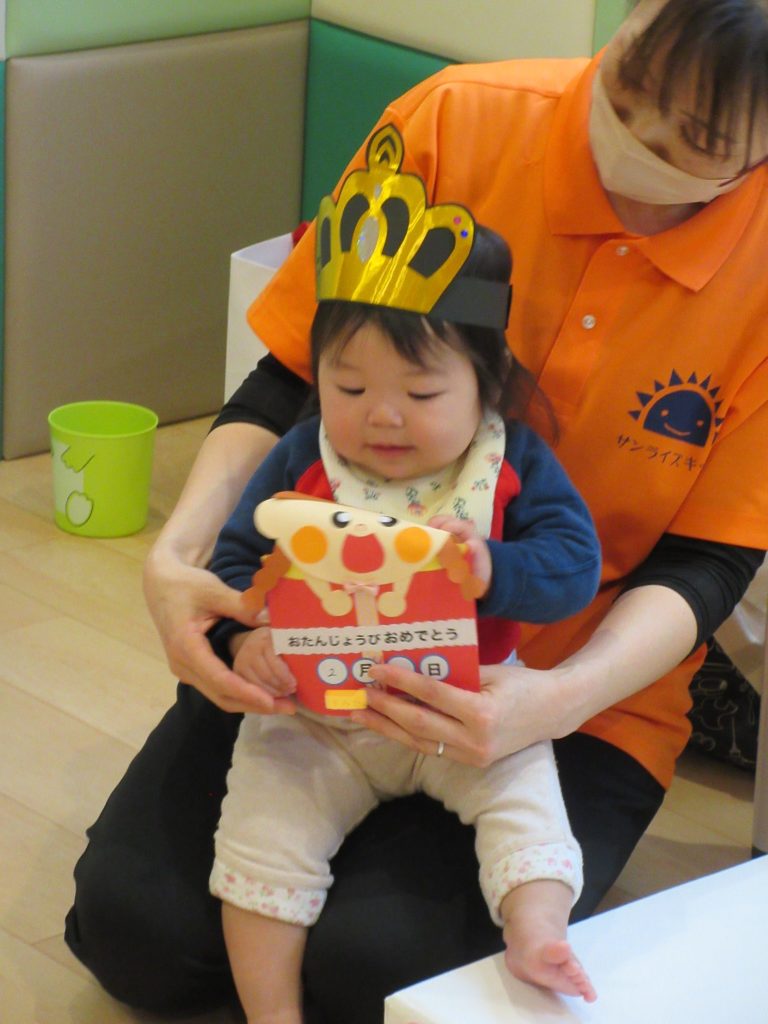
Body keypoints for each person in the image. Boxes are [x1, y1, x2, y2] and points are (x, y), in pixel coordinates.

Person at [64, 2, 768, 1021]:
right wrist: (189, 571)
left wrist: (554, 698)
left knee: (382, 973)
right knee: (138, 935)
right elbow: (287, 382)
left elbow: (708, 560)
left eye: (695, 139)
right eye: (626, 88)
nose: (636, 143)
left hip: (561, 690)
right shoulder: (458, 122)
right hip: (314, 672)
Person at [206, 160, 601, 1022]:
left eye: (421, 392)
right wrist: (244, 638)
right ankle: (272, 1013)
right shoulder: (305, 457)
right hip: (319, 715)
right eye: (349, 387)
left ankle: (538, 932)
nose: (381, 415)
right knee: (260, 834)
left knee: (529, 807)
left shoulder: (509, 461)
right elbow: (234, 562)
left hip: (467, 708)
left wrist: (495, 569)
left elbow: (576, 565)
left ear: (486, 382)